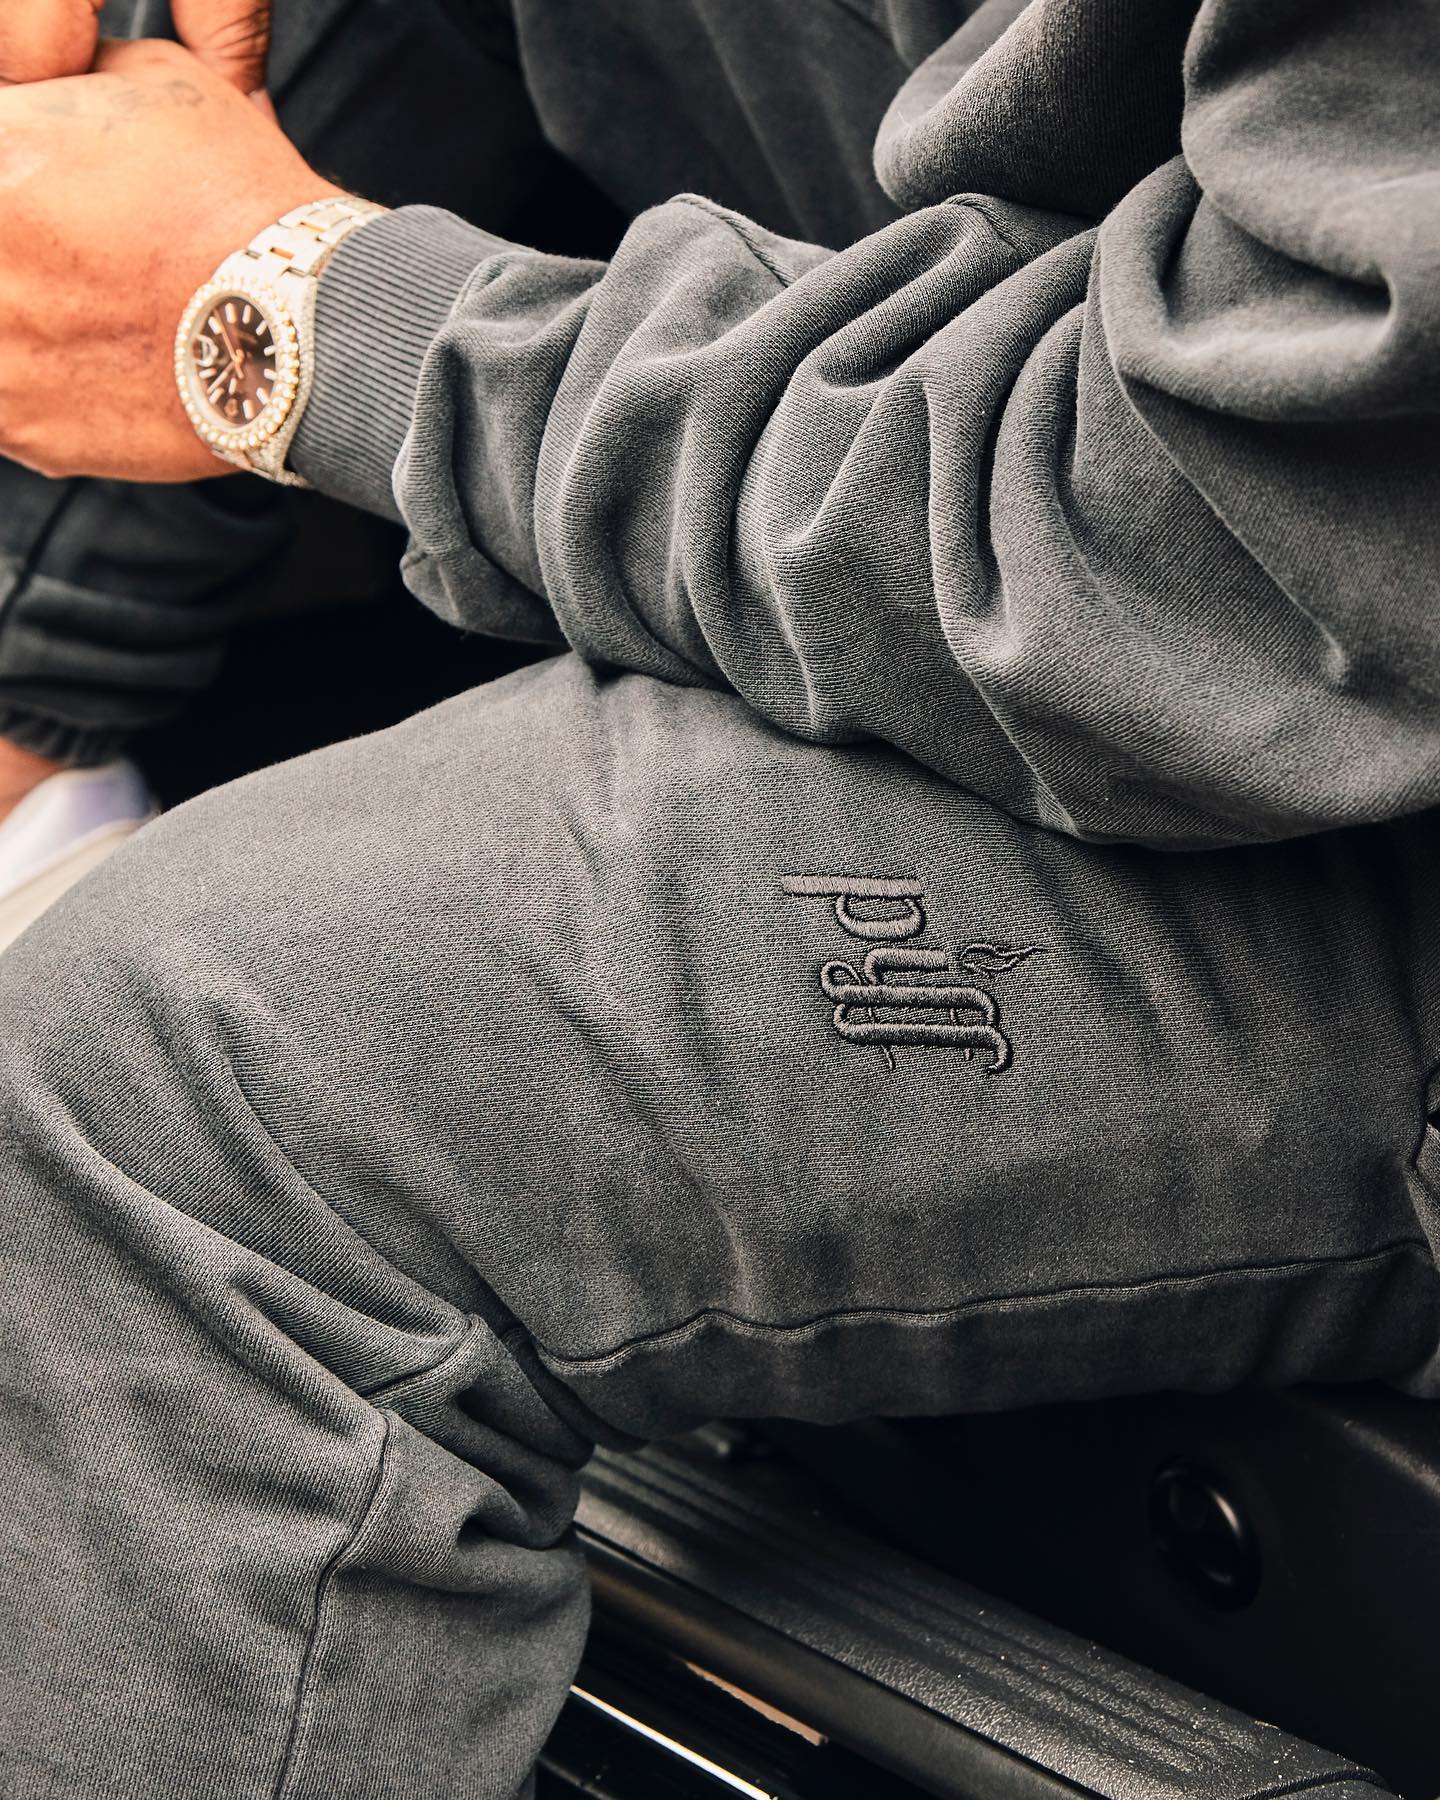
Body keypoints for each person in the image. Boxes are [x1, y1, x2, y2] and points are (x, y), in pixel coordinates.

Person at [2, 0, 1438, 1793]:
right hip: (1053, 465)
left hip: (1312, 702)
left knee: (197, 1089)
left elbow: (1235, 554)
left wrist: (310, 324)